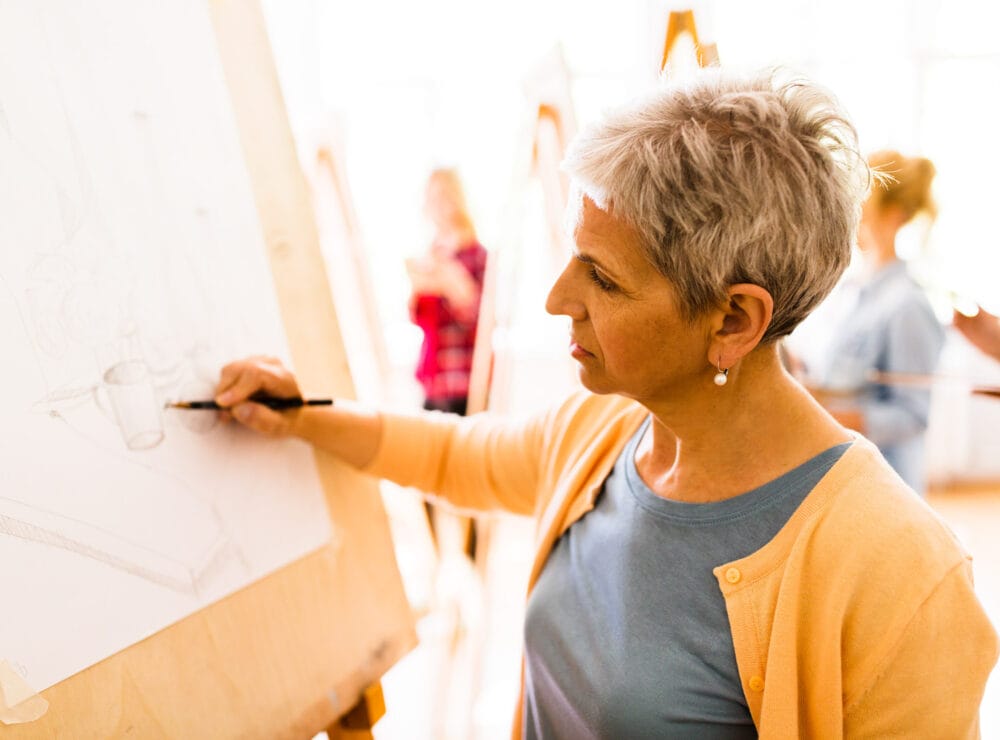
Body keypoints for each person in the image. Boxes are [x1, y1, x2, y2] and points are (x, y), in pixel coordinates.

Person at [214, 69, 997, 738]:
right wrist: (300, 413)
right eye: (572, 257)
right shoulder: (605, 431)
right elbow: (454, 455)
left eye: (605, 278)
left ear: (734, 320)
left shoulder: (904, 578)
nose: (559, 298)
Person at [796, 150, 944, 495]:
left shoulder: (908, 305)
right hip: (842, 477)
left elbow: (911, 417)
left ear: (893, 216)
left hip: (885, 489)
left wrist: (813, 410)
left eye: (860, 206)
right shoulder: (852, 289)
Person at [406, 167, 488, 417]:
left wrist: (449, 277)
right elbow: (420, 316)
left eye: (443, 196)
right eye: (431, 197)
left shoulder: (477, 255)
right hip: (435, 379)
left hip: (465, 380)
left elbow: (477, 317)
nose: (437, 205)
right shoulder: (431, 254)